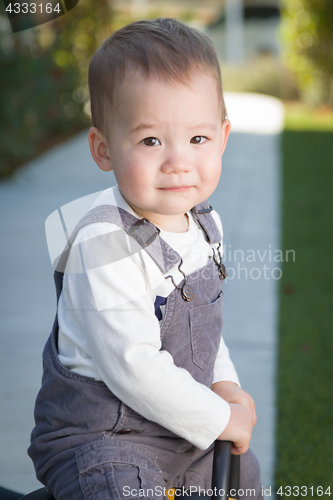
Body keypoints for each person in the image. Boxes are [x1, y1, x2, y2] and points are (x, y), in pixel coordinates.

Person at [28, 18, 263, 500]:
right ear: (103, 148)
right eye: (151, 140)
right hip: (102, 438)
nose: (178, 160)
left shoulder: (201, 222)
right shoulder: (104, 244)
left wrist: (223, 384)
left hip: (176, 428)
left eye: (197, 139)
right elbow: (134, 367)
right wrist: (219, 418)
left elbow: (203, 329)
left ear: (221, 137)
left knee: (244, 477)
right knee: (126, 489)